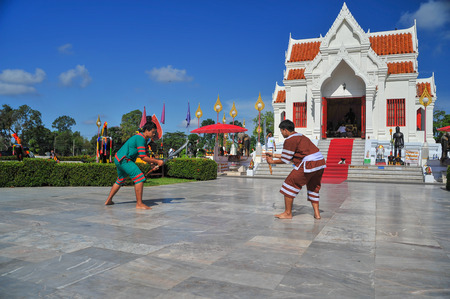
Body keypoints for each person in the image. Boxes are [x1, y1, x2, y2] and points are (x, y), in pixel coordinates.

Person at [266, 119, 326, 219]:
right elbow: (291, 155)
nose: (281, 133)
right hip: (320, 162)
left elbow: (286, 159)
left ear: (285, 130)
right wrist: (273, 155)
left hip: (309, 163)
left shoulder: (290, 140)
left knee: (289, 184)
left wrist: (272, 162)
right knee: (313, 187)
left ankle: (288, 213)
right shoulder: (301, 136)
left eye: (281, 131)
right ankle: (317, 214)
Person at [105, 121, 164, 209]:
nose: (154, 134)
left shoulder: (144, 140)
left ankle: (108, 200)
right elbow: (143, 157)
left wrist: (152, 164)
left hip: (118, 158)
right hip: (124, 160)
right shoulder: (140, 138)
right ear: (147, 130)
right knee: (139, 178)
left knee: (120, 179)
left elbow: (146, 156)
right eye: (153, 132)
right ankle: (139, 204)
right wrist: (157, 161)